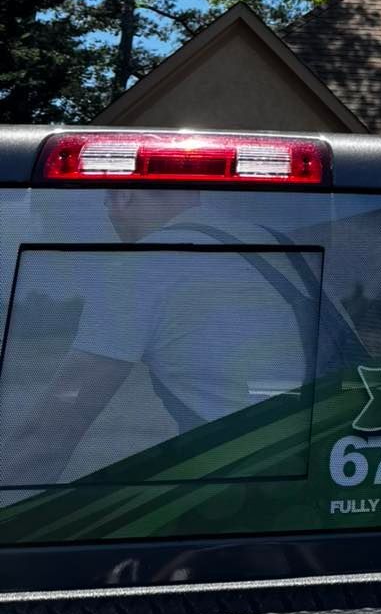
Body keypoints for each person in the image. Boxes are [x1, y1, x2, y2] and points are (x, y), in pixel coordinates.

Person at [1, 187, 317, 487]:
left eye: (106, 203)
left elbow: (46, 437)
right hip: (332, 479)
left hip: (237, 494)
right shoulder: (280, 247)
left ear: (123, 198)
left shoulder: (142, 266)